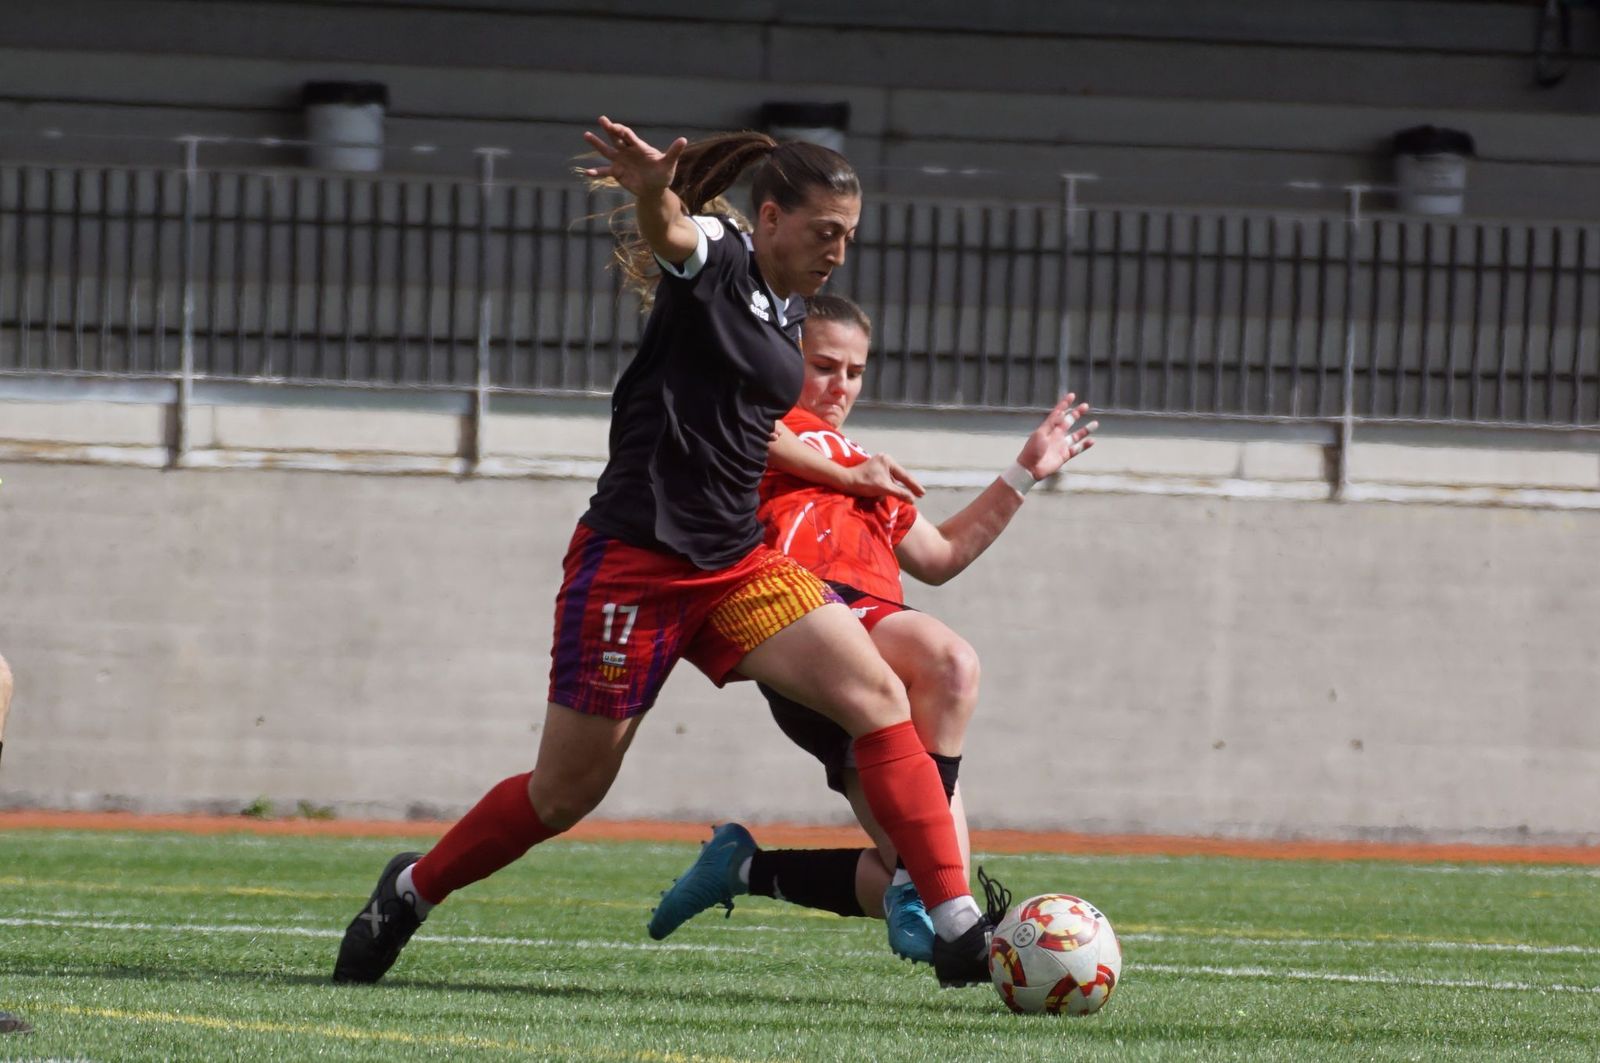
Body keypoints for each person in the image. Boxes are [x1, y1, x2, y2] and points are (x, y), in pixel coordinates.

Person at [333, 118, 1003, 989]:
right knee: (562, 795)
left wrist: (844, 470)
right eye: (825, 231)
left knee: (878, 694)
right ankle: (411, 889)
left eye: (850, 235)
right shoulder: (721, 253)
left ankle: (955, 920)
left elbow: (752, 428)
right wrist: (653, 190)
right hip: (636, 565)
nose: (838, 250)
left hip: (733, 562)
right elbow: (673, 234)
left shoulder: (791, 302)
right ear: (769, 217)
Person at [645, 295, 1096, 964]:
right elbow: (736, 426)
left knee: (926, 881)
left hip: (876, 656)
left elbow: (940, 556)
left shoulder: (869, 468)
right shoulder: (757, 424)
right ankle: (927, 890)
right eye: (824, 365)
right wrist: (847, 471)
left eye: (855, 371)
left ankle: (741, 869)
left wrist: (1023, 472)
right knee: (953, 663)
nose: (842, 386)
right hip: (812, 619)